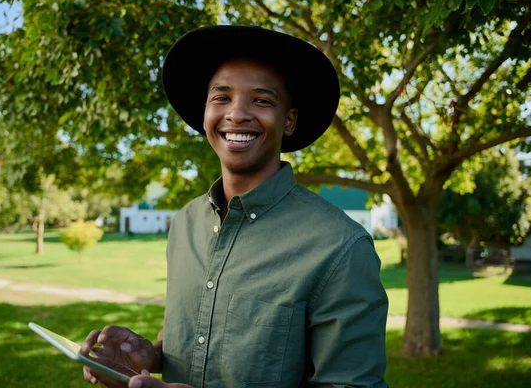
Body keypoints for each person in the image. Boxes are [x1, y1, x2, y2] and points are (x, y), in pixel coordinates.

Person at [81, 25, 389, 388]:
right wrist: (148, 357)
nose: (237, 114)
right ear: (205, 113)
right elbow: (198, 335)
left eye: (261, 100)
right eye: (221, 98)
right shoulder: (186, 222)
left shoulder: (340, 247)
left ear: (288, 121)